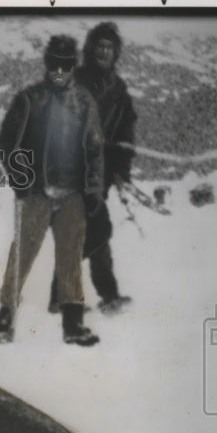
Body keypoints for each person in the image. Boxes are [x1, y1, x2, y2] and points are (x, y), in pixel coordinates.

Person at [0, 35, 104, 347]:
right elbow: (6, 144)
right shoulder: (29, 99)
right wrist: (21, 181)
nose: (59, 70)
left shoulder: (84, 102)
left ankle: (73, 325)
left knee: (70, 258)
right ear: (46, 64)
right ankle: (5, 316)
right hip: (36, 193)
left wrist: (93, 190)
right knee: (23, 253)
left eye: (66, 65)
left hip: (72, 194)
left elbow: (94, 149)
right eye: (55, 64)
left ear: (73, 66)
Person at [48, 22, 137, 316]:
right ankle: (75, 296)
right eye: (99, 46)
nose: (103, 51)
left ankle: (72, 296)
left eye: (109, 47)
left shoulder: (118, 90)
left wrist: (121, 165)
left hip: (99, 175)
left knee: (90, 232)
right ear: (90, 49)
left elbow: (126, 130)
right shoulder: (76, 82)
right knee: (85, 231)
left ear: (115, 53)